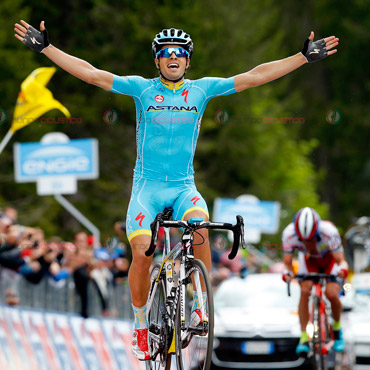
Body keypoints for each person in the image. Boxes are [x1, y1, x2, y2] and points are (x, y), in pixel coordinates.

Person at [14, 20, 339, 360]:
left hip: (184, 187)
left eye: (180, 53)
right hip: (147, 189)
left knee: (200, 227)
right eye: (166, 53)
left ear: (187, 61)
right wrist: (47, 49)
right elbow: (93, 74)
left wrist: (302, 57)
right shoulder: (141, 89)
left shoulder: (201, 90)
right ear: (157, 61)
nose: (173, 57)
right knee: (143, 253)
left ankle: (198, 302)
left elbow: (255, 75)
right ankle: (140, 322)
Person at [281, 207, 348, 355]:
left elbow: (341, 260)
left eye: (311, 239)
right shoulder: (288, 233)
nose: (308, 243)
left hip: (329, 262)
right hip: (308, 262)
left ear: (317, 231)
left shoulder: (330, 231)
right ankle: (304, 337)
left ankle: (337, 329)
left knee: (331, 293)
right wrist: (287, 274)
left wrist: (343, 270)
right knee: (305, 291)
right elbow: (287, 263)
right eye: (304, 240)